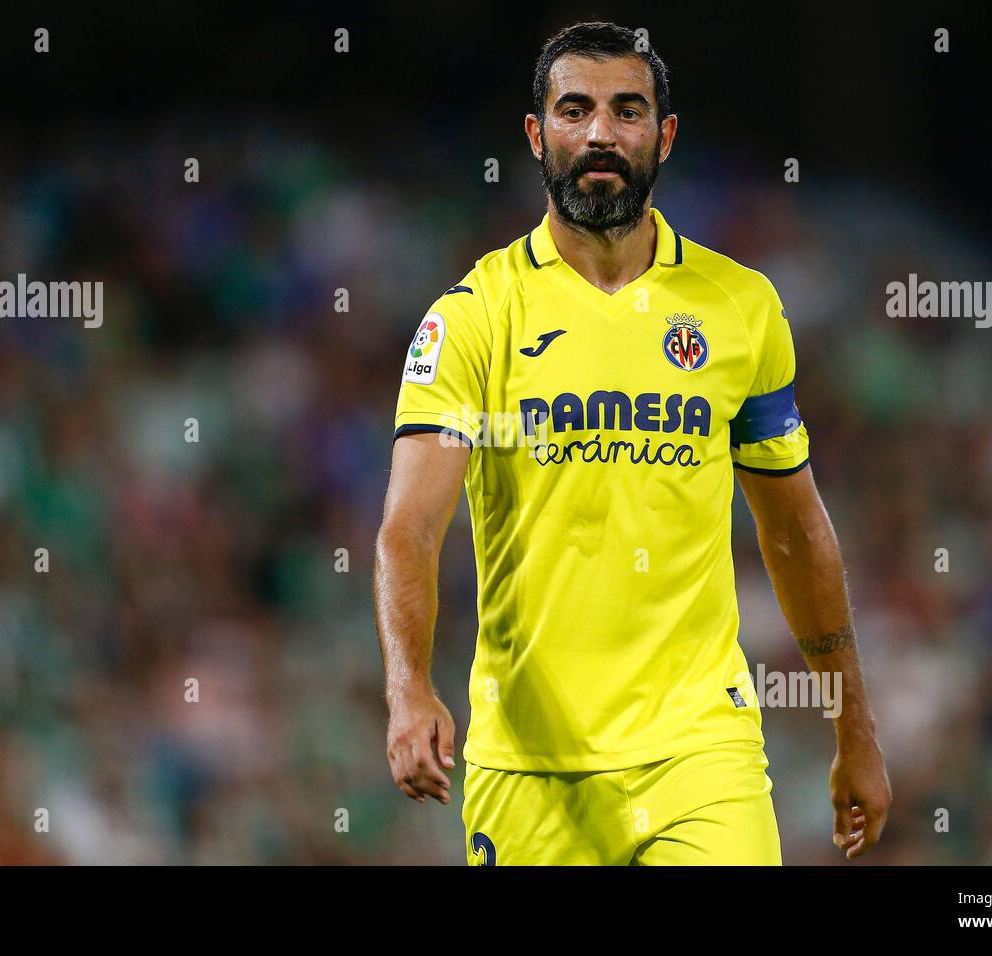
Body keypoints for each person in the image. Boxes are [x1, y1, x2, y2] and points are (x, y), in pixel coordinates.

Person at [373, 21, 890, 865]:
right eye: (575, 111)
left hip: (702, 755)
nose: (602, 133)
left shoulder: (740, 307)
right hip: (529, 766)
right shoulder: (472, 319)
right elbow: (409, 531)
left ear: (666, 135)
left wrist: (855, 732)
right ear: (538, 136)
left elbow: (795, 532)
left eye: (628, 110)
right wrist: (408, 689)